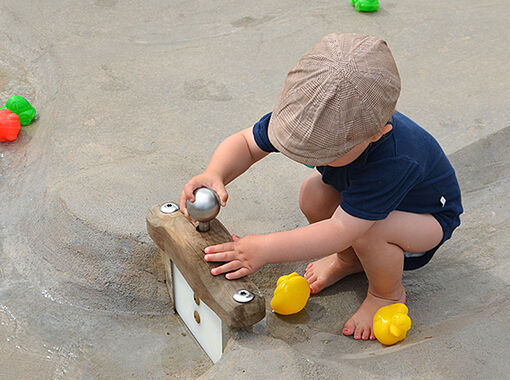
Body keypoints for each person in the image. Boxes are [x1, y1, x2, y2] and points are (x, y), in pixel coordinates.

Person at [178, 33, 463, 341]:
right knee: (312, 194)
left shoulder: (394, 159)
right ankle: (350, 260)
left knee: (372, 229)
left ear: (377, 134)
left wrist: (264, 248)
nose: (309, 155)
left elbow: (342, 229)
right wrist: (214, 173)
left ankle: (386, 293)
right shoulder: (305, 113)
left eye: (324, 151)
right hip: (364, 201)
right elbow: (247, 144)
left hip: (426, 216)